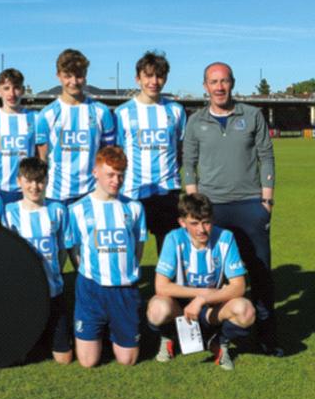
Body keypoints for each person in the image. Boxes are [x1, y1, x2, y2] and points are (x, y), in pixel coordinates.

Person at [182, 62, 280, 356]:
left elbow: (267, 157)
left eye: (224, 81)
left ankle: (266, 337)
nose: (219, 87)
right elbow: (188, 163)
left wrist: (266, 202)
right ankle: (215, 334)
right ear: (205, 86)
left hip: (250, 205)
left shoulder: (251, 115)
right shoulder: (196, 121)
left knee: (260, 273)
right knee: (214, 275)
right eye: (214, 81)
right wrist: (195, 205)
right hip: (213, 210)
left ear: (232, 83)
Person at [146, 193, 255, 370]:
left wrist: (202, 300)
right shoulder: (174, 239)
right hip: (180, 309)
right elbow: (161, 286)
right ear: (182, 222)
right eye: (194, 223)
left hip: (212, 308)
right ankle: (169, 335)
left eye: (206, 222)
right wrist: (199, 294)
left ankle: (220, 343)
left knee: (246, 311)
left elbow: (239, 286)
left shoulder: (225, 238)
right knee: (157, 309)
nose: (202, 230)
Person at [66, 146, 146, 368]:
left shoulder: (135, 208)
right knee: (88, 362)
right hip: (91, 289)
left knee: (127, 360)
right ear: (95, 172)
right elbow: (75, 251)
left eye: (121, 175)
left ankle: (116, 331)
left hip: (124, 290)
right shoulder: (77, 209)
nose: (116, 180)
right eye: (110, 174)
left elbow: (138, 249)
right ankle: (99, 332)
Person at [113, 51, 186, 252]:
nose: (154, 81)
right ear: (138, 78)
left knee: (169, 251)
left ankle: (165, 284)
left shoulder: (176, 111)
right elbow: (118, 153)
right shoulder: (122, 113)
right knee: (132, 248)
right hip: (133, 191)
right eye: (148, 76)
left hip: (168, 190)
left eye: (159, 76)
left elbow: (179, 149)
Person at [3, 157, 72, 364]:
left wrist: (55, 272)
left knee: (64, 359)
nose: (35, 186)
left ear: (47, 181)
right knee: (22, 356)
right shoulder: (8, 212)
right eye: (29, 181)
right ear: (19, 181)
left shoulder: (58, 210)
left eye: (40, 181)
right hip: (25, 294)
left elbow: (62, 250)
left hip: (54, 291)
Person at [38, 49, 115, 204]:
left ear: (85, 76)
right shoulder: (47, 114)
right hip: (56, 195)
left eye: (78, 76)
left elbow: (108, 157)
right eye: (67, 76)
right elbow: (42, 159)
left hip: (92, 193)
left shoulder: (101, 112)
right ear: (58, 76)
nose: (73, 81)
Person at [0, 68, 47, 204]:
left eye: (16, 88)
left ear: (22, 90)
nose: (11, 93)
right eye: (6, 88)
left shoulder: (35, 117)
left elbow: (41, 155)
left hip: (24, 189)